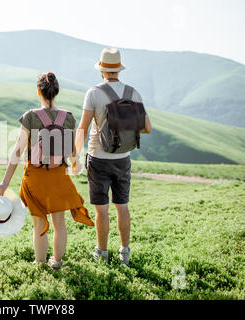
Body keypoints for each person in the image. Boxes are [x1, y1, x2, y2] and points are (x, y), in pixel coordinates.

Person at [0, 72, 94, 270]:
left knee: (39, 225)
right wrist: (75, 166)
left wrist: (4, 183)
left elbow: (17, 151)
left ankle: (39, 263)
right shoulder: (68, 118)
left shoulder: (31, 117)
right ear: (56, 92)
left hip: (35, 178)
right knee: (60, 224)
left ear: (39, 91)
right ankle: (56, 262)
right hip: (59, 177)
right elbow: (73, 154)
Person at [73, 48, 152, 266]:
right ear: (118, 69)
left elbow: (83, 128)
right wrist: (124, 126)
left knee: (102, 209)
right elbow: (146, 127)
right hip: (123, 158)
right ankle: (124, 254)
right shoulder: (133, 93)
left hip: (98, 158)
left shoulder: (94, 93)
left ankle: (102, 253)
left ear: (101, 70)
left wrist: (75, 157)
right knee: (122, 206)